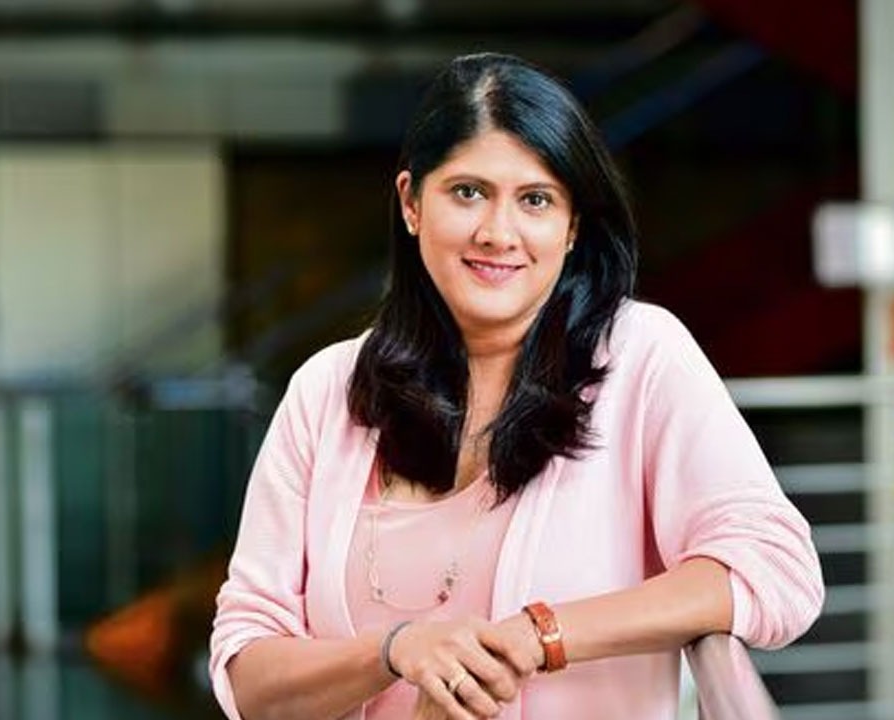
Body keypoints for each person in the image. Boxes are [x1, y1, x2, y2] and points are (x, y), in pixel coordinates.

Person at [209, 53, 824, 720]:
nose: (498, 233)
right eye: (468, 192)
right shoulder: (327, 392)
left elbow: (774, 569)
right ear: (412, 203)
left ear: (572, 225)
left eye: (535, 200)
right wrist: (395, 651)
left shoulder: (639, 356)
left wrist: (540, 634)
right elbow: (247, 676)